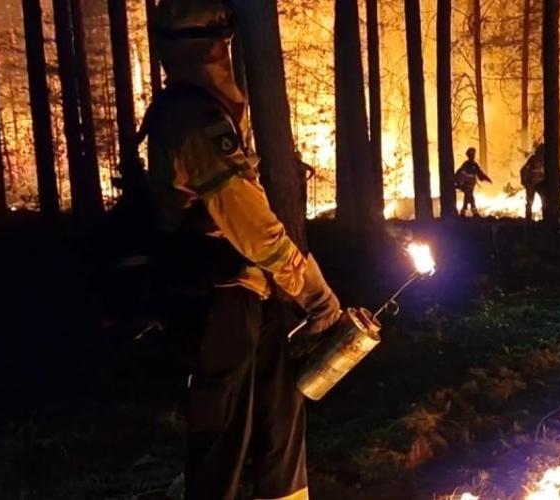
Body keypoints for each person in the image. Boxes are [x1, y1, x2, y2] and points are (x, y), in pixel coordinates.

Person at [146, 2, 341, 498]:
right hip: (218, 304)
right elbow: (250, 223)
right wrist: (313, 291)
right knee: (223, 446)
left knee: (281, 423)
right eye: (220, 40)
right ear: (211, 47)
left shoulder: (206, 114)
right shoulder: (192, 121)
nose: (224, 52)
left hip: (253, 296)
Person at [454, 147, 492, 217]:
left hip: (471, 185)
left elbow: (480, 173)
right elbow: (459, 172)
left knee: (469, 196)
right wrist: (456, 181)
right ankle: (471, 212)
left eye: (473, 154)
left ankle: (465, 212)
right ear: (468, 155)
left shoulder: (475, 165)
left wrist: (486, 178)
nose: (472, 156)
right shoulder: (465, 164)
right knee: (469, 196)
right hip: (465, 184)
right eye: (471, 154)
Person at [520, 143, 546, 220]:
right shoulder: (532, 160)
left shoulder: (547, 161)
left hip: (541, 184)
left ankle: (545, 217)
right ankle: (528, 217)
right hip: (531, 184)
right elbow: (523, 170)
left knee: (544, 201)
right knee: (530, 201)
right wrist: (525, 181)